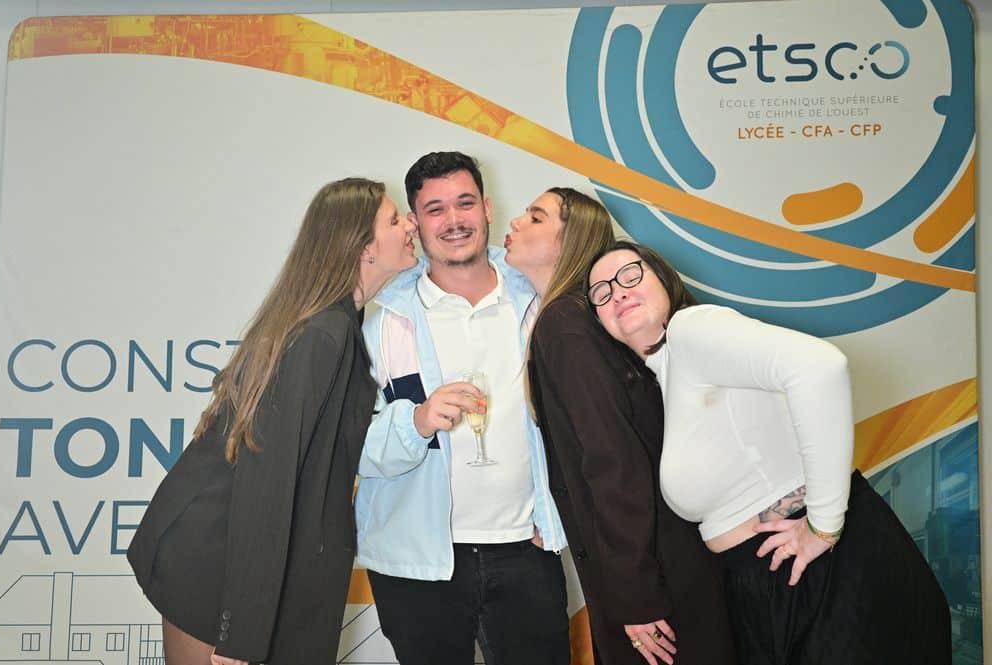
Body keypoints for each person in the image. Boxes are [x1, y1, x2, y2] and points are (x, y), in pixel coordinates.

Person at [586, 240, 952, 665]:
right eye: (601, 293)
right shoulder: (666, 375)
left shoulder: (691, 330)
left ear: (664, 279)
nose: (618, 292)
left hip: (824, 579)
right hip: (775, 585)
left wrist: (823, 526)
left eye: (630, 274)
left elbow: (820, 367)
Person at [127, 178, 417, 665]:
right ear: (362, 247)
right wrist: (240, 633)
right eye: (394, 219)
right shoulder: (322, 335)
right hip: (217, 567)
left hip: (239, 567)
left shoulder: (337, 326)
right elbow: (268, 481)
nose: (409, 224)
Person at [354, 152, 569, 665]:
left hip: (526, 549)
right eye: (435, 209)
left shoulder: (540, 299)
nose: (454, 221)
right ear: (414, 222)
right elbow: (349, 446)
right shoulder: (379, 320)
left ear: (487, 208)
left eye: (465, 203)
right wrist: (416, 422)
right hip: (415, 562)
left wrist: (553, 512)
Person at [509, 189, 735, 665]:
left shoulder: (565, 324)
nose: (516, 222)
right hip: (667, 558)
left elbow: (613, 461)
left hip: (652, 577)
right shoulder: (579, 320)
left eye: (535, 217)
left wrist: (635, 595)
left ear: (570, 239)